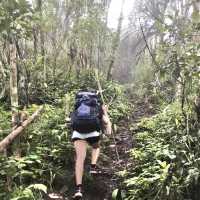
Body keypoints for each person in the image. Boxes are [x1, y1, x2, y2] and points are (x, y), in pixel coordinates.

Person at [71, 91, 112, 199]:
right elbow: (107, 127)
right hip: (93, 133)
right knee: (96, 146)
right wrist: (105, 112)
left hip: (78, 132)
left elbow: (72, 120)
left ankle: (78, 189)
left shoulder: (78, 106)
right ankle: (93, 167)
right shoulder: (97, 106)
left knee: (80, 159)